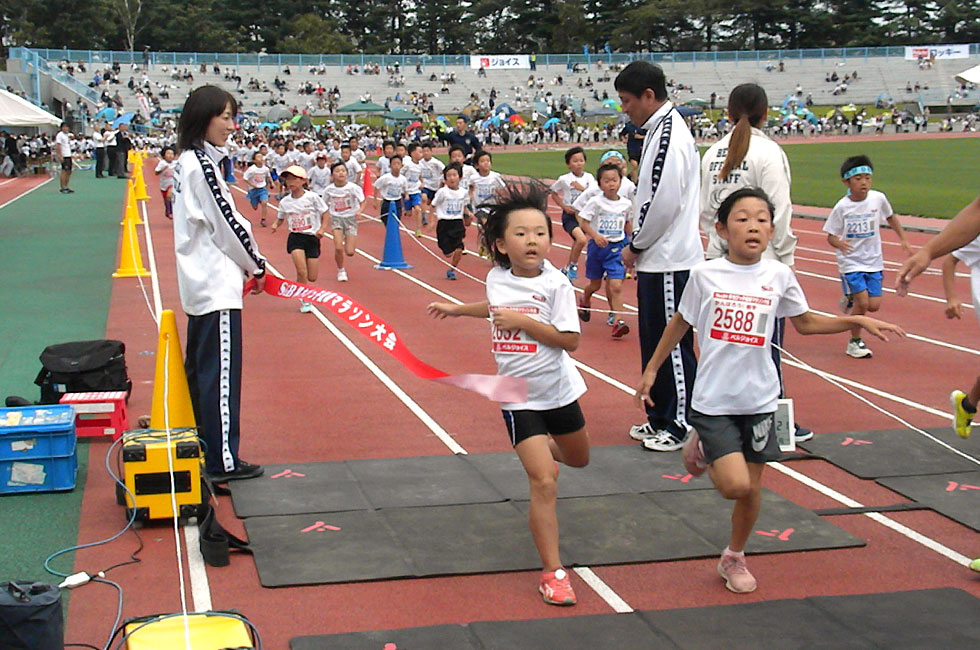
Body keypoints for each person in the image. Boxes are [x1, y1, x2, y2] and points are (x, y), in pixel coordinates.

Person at [635, 187, 904, 593]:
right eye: (742, 219)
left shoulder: (778, 275)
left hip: (761, 399)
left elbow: (806, 322)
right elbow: (680, 323)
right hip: (714, 400)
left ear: (773, 229)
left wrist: (857, 323)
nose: (754, 227)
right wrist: (652, 369)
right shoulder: (705, 276)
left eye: (762, 219)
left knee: (753, 488)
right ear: (722, 229)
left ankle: (734, 556)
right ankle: (702, 445)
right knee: (735, 486)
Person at [427, 182, 590, 606]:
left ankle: (547, 447)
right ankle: (554, 572)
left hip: (558, 391)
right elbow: (494, 307)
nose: (532, 240)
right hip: (516, 395)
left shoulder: (557, 286)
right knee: (544, 480)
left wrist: (524, 322)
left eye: (540, 232)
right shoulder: (496, 277)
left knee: (577, 458)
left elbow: (569, 340)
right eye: (521, 233)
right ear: (500, 243)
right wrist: (458, 309)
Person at [698, 83, 811, 443]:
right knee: (765, 348)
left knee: (724, 344)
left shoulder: (713, 152)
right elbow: (778, 211)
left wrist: (718, 246)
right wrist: (785, 259)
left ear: (728, 114)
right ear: (766, 113)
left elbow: (705, 212)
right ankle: (775, 426)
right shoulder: (768, 152)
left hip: (719, 260)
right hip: (760, 264)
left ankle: (722, 421)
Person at [173, 85, 267, 482]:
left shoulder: (189, 162)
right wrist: (258, 266)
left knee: (203, 373)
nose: (232, 125)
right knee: (220, 377)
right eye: (226, 117)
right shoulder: (201, 165)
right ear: (204, 117)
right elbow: (228, 225)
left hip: (200, 285)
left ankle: (209, 449)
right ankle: (223, 459)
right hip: (215, 286)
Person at [615, 60, 703, 452]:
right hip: (658, 258)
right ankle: (660, 415)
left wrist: (635, 245)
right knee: (653, 343)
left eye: (627, 100)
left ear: (649, 96)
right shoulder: (655, 131)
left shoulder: (670, 134)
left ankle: (682, 421)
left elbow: (663, 203)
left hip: (670, 259)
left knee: (672, 345)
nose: (624, 108)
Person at [823, 155, 912, 358]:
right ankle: (855, 342)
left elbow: (891, 217)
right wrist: (839, 243)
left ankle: (850, 299)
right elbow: (830, 235)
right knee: (862, 303)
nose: (864, 182)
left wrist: (904, 239)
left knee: (873, 305)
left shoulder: (878, 198)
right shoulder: (842, 207)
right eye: (858, 179)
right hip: (851, 261)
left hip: (874, 260)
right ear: (846, 182)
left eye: (867, 178)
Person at [576, 163, 632, 339]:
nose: (611, 184)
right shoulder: (595, 202)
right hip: (598, 249)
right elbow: (583, 221)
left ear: (620, 182)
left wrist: (632, 245)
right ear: (600, 184)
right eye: (606, 181)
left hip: (617, 249)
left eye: (614, 180)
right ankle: (585, 299)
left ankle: (618, 321)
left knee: (615, 286)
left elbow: (628, 223)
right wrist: (595, 235)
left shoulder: (626, 204)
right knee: (595, 284)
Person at [271, 165, 328, 313]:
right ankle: (305, 300)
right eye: (288, 179)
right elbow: (281, 218)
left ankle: (304, 289)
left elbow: (326, 213)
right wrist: (276, 224)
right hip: (296, 238)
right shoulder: (285, 202)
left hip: (311, 238)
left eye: (294, 179)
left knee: (312, 276)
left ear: (303, 181)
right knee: (301, 272)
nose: (290, 182)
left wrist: (322, 229)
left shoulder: (312, 197)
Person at [549, 146, 595, 280]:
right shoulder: (564, 179)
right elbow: (553, 192)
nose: (578, 163)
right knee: (581, 240)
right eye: (575, 161)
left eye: (581, 160)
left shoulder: (589, 178)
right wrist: (563, 206)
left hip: (585, 216)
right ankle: (573, 267)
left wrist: (581, 188)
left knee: (578, 242)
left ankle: (567, 268)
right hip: (570, 215)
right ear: (568, 164)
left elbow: (594, 193)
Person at [431, 162, 474, 280]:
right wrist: (432, 221)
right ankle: (448, 253)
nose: (452, 178)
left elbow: (464, 206)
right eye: (449, 176)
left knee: (459, 248)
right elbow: (433, 205)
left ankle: (452, 269)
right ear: (445, 179)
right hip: (444, 223)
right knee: (447, 253)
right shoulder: (442, 192)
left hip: (457, 223)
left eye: (454, 175)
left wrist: (468, 214)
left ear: (459, 177)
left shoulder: (463, 192)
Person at [323, 161, 365, 282]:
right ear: (332, 175)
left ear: (347, 173)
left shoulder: (353, 188)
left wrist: (359, 211)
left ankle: (347, 238)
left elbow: (363, 201)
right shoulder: (328, 190)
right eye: (337, 171)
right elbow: (323, 206)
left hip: (350, 219)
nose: (341, 173)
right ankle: (341, 270)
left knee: (350, 252)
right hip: (336, 219)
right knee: (338, 247)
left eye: (343, 170)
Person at [470, 150, 506, 257]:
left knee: (493, 229)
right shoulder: (473, 178)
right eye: (482, 161)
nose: (486, 163)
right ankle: (491, 251)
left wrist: (500, 195)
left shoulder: (495, 177)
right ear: (477, 165)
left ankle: (484, 242)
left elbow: (502, 190)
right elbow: (469, 190)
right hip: (480, 208)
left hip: (493, 207)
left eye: (488, 161)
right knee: (487, 227)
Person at [374, 154, 408, 226]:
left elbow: (405, 188)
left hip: (397, 201)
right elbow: (377, 186)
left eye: (398, 164)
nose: (396, 166)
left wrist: (406, 195)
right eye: (394, 164)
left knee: (396, 220)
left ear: (402, 166)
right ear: (390, 166)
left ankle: (393, 234)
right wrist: (375, 200)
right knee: (385, 219)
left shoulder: (403, 179)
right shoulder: (386, 177)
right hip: (387, 201)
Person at [419, 141, 445, 233]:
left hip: (435, 187)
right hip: (426, 186)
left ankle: (429, 215)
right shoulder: (420, 163)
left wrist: (441, 180)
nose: (425, 153)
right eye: (424, 151)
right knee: (424, 198)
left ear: (431, 152)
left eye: (427, 151)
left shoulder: (436, 162)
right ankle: (423, 216)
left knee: (430, 203)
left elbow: (444, 170)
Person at [243, 151, 272, 227]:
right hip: (253, 190)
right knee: (255, 207)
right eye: (258, 157)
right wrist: (252, 185)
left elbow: (268, 176)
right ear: (254, 160)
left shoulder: (265, 169)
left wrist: (272, 183)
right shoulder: (251, 169)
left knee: (264, 203)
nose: (260, 159)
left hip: (262, 188)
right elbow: (245, 178)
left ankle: (263, 219)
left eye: (261, 157)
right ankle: (254, 201)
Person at [402, 143, 425, 236]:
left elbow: (420, 176)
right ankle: (406, 209)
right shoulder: (407, 165)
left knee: (418, 209)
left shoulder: (421, 166)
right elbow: (401, 175)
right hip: (407, 191)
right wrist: (405, 192)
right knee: (409, 213)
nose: (421, 154)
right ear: (412, 153)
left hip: (416, 191)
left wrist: (422, 183)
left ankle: (418, 229)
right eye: (419, 152)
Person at [153, 146, 177, 219]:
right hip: (164, 185)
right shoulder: (162, 163)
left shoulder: (176, 163)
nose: (170, 156)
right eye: (168, 154)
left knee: (169, 196)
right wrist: (163, 169)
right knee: (166, 199)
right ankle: (168, 210)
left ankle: (171, 212)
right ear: (164, 155)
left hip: (172, 184)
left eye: (172, 154)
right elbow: (156, 173)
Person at [54, 123, 74, 194]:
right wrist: (60, 155)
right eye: (65, 127)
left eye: (67, 127)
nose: (66, 128)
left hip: (68, 155)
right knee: (64, 171)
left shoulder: (67, 135)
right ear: (62, 128)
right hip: (64, 155)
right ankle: (62, 187)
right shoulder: (60, 135)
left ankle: (66, 186)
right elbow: (58, 146)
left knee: (69, 171)